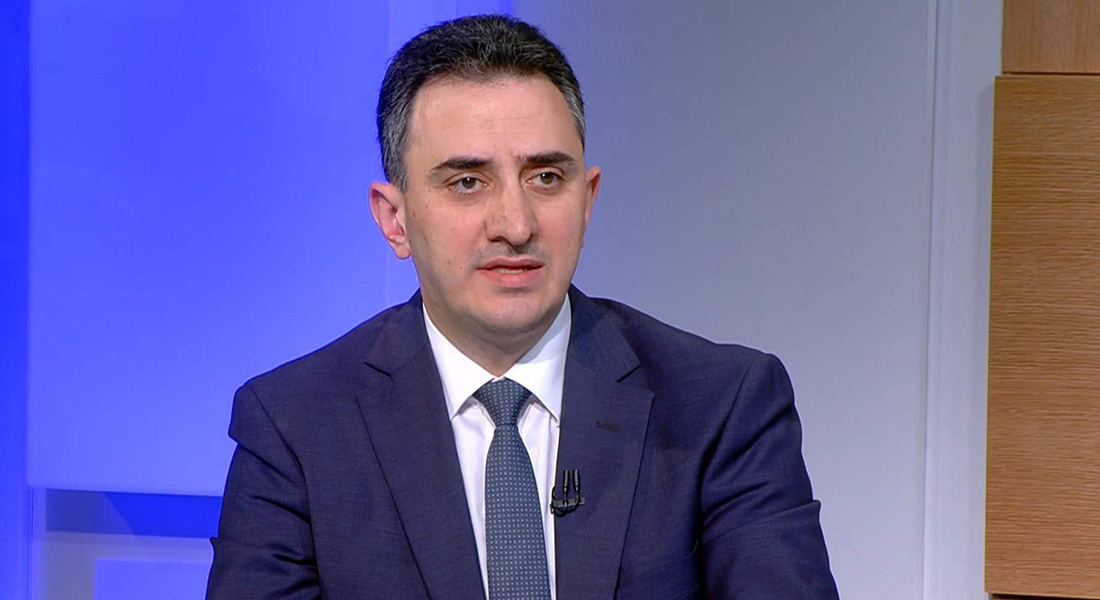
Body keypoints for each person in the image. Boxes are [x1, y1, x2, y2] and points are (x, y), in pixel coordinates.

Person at [206, 14, 838, 600]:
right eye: (467, 182)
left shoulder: (722, 406)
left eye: (546, 178)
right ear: (394, 219)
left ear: (587, 201)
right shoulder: (294, 428)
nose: (515, 224)